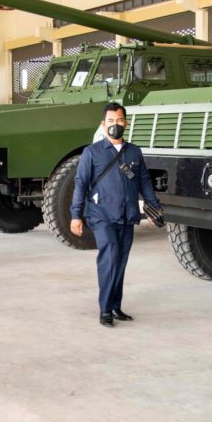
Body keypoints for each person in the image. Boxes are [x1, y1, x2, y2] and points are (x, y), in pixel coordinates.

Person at [70, 102, 161, 327]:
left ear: (126, 123)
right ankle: (104, 310)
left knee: (120, 260)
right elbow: (81, 183)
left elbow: (144, 181)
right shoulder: (92, 152)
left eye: (119, 120)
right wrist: (75, 215)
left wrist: (154, 206)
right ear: (103, 124)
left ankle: (115, 306)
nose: (115, 125)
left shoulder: (134, 152)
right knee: (109, 256)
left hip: (128, 215)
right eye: (110, 121)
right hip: (101, 215)